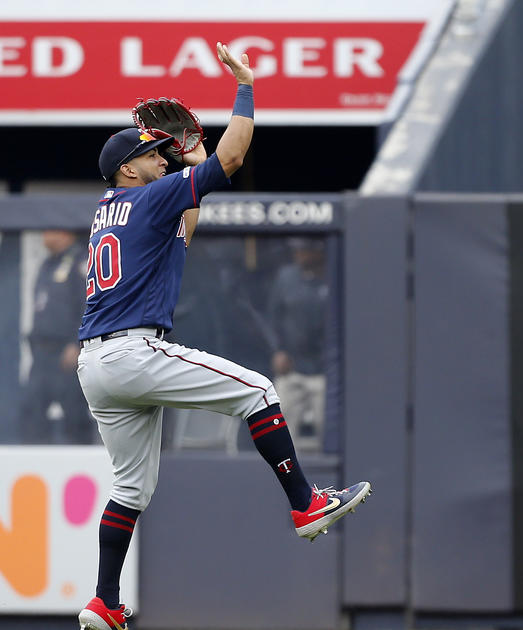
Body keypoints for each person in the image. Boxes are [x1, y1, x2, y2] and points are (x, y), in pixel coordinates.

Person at [75, 42, 371, 630]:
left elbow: (188, 218)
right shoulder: (150, 195)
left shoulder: (112, 209)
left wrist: (193, 154)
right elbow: (231, 163)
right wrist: (244, 87)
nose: (164, 158)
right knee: (259, 390)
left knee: (131, 487)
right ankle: (306, 505)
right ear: (128, 169)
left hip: (97, 368)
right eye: (154, 153)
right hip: (134, 350)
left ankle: (104, 601)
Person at [19, 229, 93, 444]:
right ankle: (32, 464)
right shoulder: (47, 264)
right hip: (42, 355)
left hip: (67, 354)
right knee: (31, 410)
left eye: (51, 229)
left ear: (66, 233)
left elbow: (88, 305)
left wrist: (76, 342)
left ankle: (82, 464)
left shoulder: (80, 261)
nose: (44, 234)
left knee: (74, 415)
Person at [267, 237, 330, 451]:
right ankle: (280, 479)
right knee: (276, 427)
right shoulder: (287, 277)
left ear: (318, 252)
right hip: (292, 367)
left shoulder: (334, 276)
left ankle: (329, 482)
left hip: (325, 371)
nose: (299, 254)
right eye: (297, 250)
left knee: (328, 431)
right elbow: (273, 318)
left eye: (304, 250)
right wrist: (278, 350)